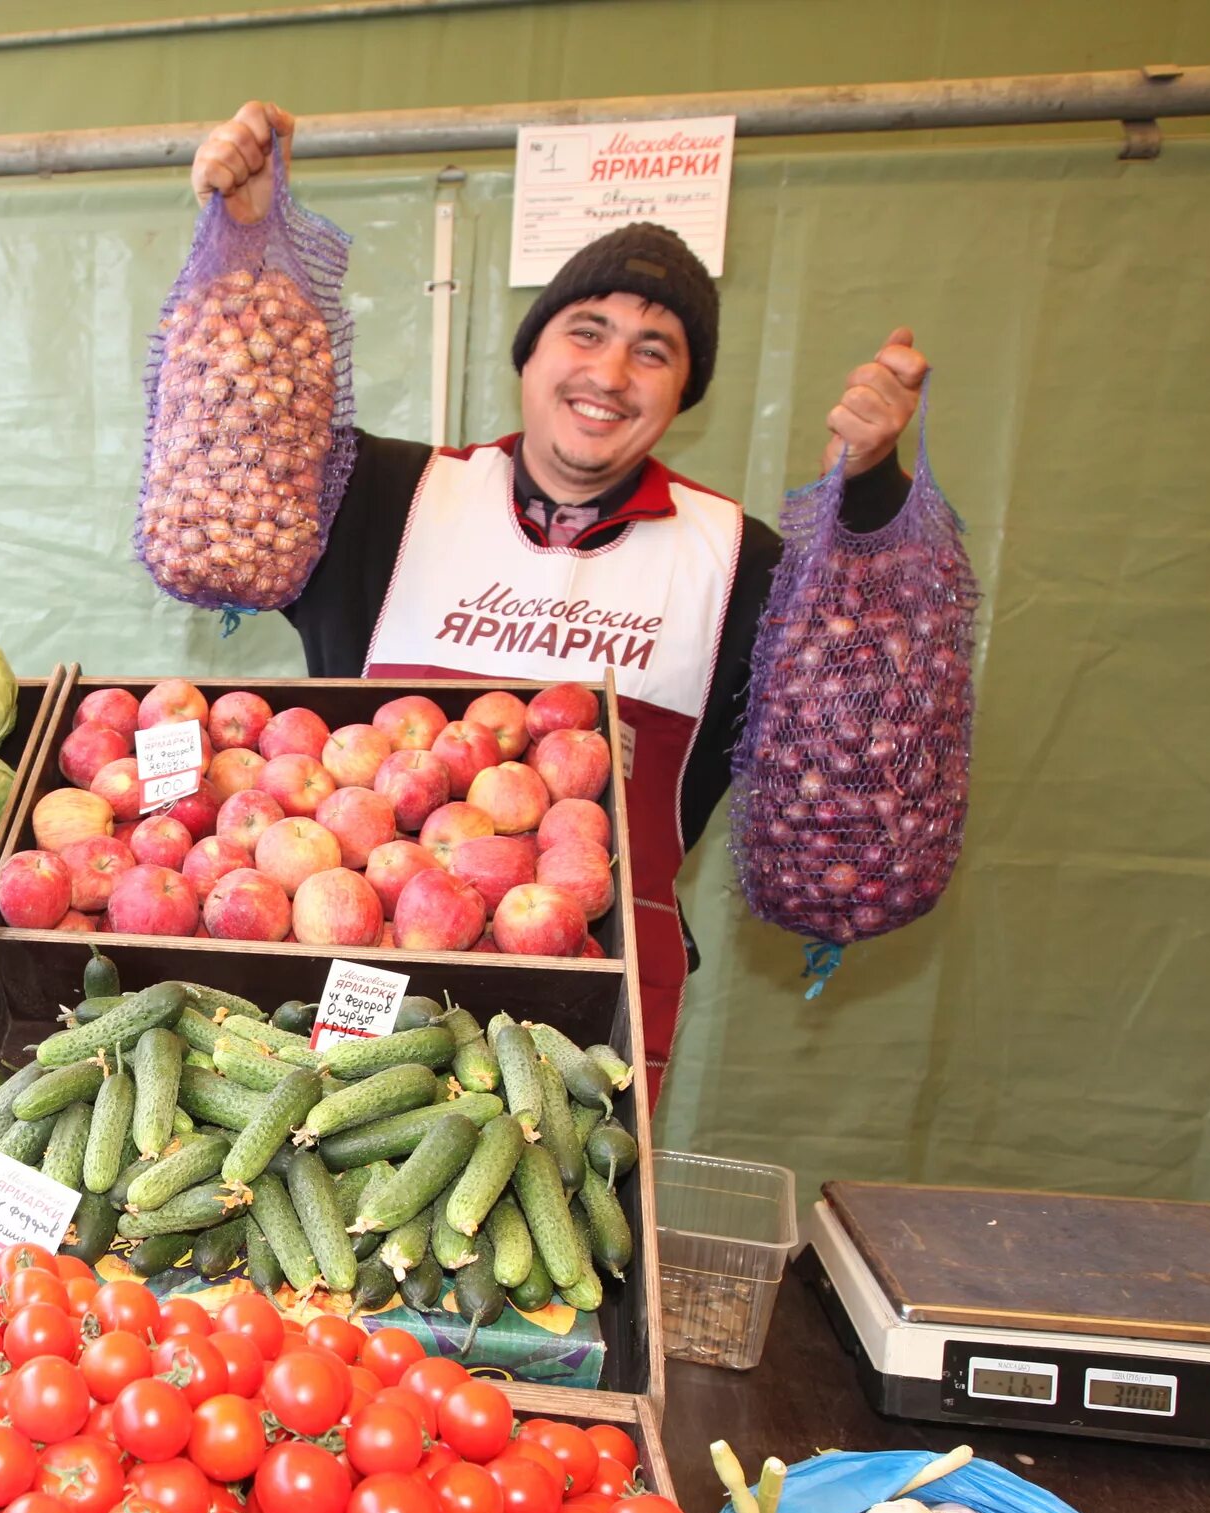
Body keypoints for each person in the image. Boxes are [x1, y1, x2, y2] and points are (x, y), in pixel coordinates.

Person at [183, 102, 930, 1093]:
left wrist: (868, 491)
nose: (611, 373)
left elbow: (859, 751)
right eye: (586, 332)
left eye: (654, 351)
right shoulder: (384, 498)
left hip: (586, 1023)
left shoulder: (742, 561)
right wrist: (245, 242)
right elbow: (231, 463)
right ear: (530, 355)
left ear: (681, 395)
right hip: (354, 997)